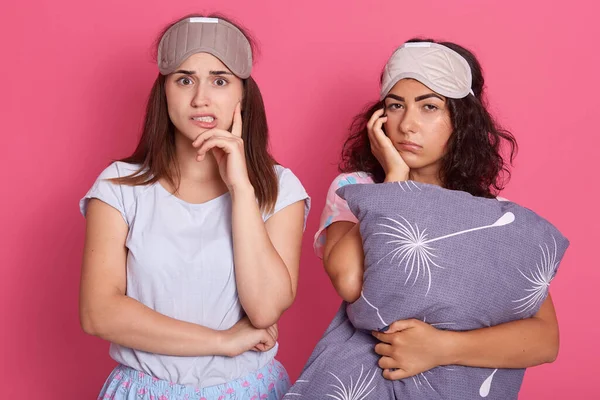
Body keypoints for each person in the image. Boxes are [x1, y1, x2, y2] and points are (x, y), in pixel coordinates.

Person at [79, 14, 310, 400]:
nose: (201, 97)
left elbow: (265, 309)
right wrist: (221, 341)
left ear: (243, 93)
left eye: (220, 80)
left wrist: (241, 188)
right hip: (144, 390)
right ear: (164, 91)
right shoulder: (119, 186)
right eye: (184, 79)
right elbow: (98, 313)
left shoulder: (279, 187)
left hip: (249, 391)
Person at [314, 38, 558, 385]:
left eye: (429, 107)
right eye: (396, 106)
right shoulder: (356, 190)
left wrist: (441, 347)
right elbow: (350, 283)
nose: (407, 124)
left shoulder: (488, 216)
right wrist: (395, 185)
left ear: (461, 120)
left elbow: (545, 339)